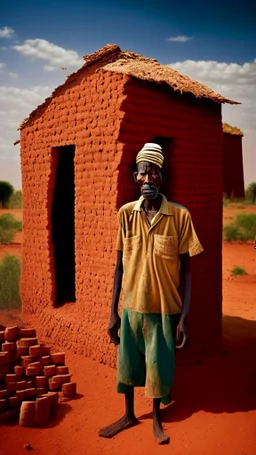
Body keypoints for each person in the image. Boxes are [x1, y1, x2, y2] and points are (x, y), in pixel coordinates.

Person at [99, 143, 203, 444]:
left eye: (154, 172)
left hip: (162, 308)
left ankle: (156, 418)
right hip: (131, 304)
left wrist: (184, 317)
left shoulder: (180, 216)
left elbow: (186, 271)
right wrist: (112, 311)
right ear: (136, 177)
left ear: (162, 177)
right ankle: (129, 414)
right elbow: (119, 266)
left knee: (158, 366)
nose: (149, 178)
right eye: (144, 173)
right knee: (128, 365)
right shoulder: (125, 215)